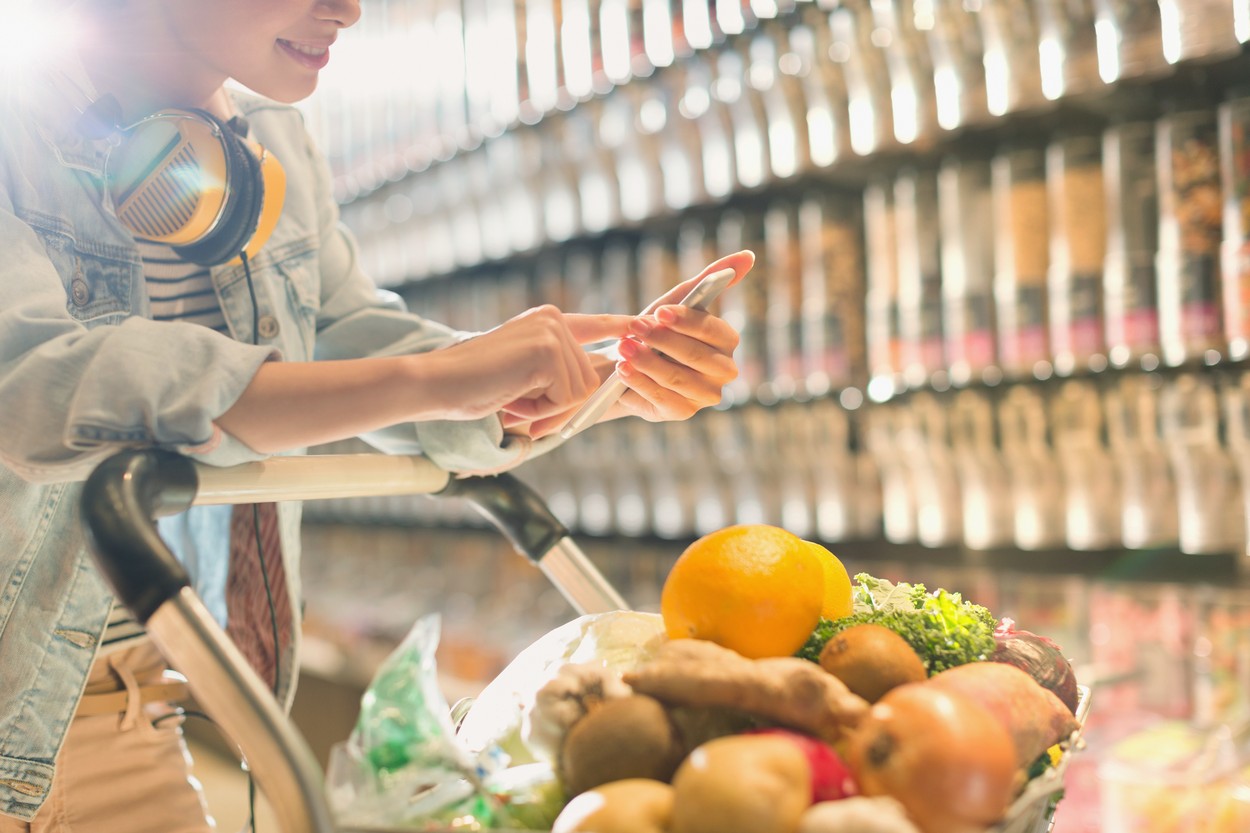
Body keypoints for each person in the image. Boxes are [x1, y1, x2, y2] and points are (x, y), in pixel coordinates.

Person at [0, 0, 752, 830]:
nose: (349, 10)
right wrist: (428, 379)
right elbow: (32, 383)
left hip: (134, 711)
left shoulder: (272, 138)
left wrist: (568, 383)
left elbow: (343, 336)